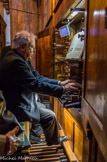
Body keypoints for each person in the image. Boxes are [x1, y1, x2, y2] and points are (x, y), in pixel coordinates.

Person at [0, 30, 78, 145]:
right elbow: (36, 85)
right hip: (15, 107)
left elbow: (37, 77)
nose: (33, 52)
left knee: (40, 103)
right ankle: (53, 142)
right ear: (22, 47)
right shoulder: (15, 62)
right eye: (32, 48)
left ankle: (36, 137)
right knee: (50, 115)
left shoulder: (14, 55)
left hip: (17, 100)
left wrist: (59, 83)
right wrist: (63, 89)